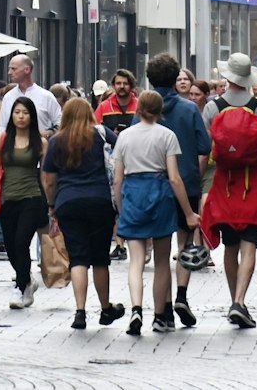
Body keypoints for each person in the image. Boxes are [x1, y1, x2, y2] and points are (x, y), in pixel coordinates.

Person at [197, 54, 257, 329]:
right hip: (254, 182)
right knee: (250, 245)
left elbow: (204, 152)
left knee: (230, 245)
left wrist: (196, 184)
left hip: (224, 183)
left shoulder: (213, 108)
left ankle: (233, 300)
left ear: (227, 77)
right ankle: (240, 301)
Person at [111, 91, 199, 335]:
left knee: (136, 261)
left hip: (133, 193)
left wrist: (120, 209)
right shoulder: (167, 135)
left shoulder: (125, 137)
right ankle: (160, 316)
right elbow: (175, 178)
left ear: (138, 109)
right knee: (162, 261)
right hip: (160, 193)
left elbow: (117, 179)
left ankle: (136, 309)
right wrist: (188, 212)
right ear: (160, 111)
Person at [141, 53, 212, 327]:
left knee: (161, 251)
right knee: (185, 243)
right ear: (175, 79)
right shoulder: (189, 109)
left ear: (150, 79)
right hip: (187, 183)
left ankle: (164, 310)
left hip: (154, 185)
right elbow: (205, 145)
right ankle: (182, 294)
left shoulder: (144, 110)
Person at [42, 98, 122, 329]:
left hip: (68, 202)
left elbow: (49, 180)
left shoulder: (57, 141)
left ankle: (80, 312)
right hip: (100, 201)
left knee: (78, 257)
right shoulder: (101, 134)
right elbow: (121, 151)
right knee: (100, 258)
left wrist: (51, 204)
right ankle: (105, 308)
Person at [0, 97, 49, 311]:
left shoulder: (40, 142)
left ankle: (19, 288)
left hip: (31, 197)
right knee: (10, 246)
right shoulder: (2, 139)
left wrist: (50, 203)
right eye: (17, 112)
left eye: (25, 113)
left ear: (32, 116)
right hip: (7, 198)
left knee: (21, 242)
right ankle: (27, 281)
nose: (21, 116)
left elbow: (45, 176)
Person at [0, 54, 62, 136]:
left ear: (27, 70)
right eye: (9, 69)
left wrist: (48, 133)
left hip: (39, 143)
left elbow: (60, 123)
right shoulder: (8, 97)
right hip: (13, 143)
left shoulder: (46, 96)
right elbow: (2, 128)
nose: (9, 72)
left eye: (13, 69)